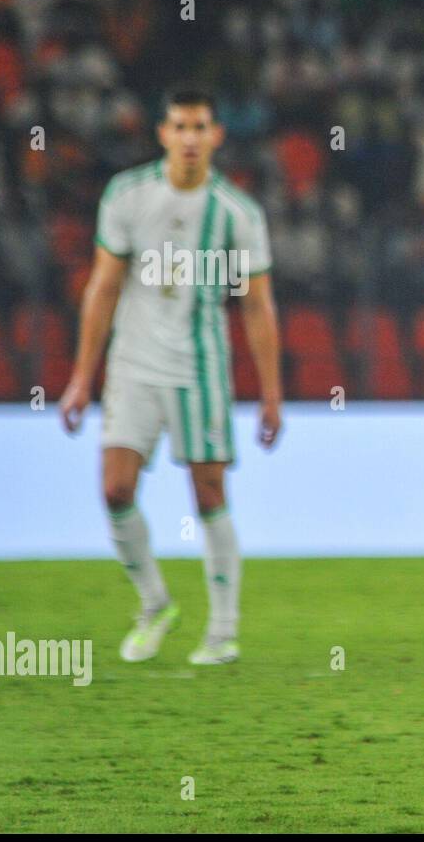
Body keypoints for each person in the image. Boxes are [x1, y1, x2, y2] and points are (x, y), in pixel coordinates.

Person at [58, 87, 282, 666]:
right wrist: (83, 376)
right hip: (132, 366)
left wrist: (272, 393)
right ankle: (154, 603)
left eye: (199, 126)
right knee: (114, 488)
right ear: (162, 133)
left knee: (209, 493)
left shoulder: (237, 212)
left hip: (201, 367)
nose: (189, 137)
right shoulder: (128, 196)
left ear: (216, 136)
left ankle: (223, 631)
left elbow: (257, 305)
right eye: (179, 126)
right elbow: (103, 287)